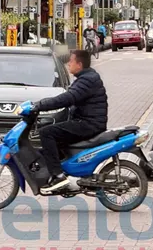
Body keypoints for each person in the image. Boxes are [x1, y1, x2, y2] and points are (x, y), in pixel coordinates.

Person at [31, 49, 108, 193]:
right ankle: (63, 171)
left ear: (79, 64)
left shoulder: (87, 80)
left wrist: (39, 105)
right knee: (54, 133)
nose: (68, 64)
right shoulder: (86, 77)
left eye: (71, 61)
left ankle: (58, 176)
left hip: (89, 124)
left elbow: (68, 98)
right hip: (87, 121)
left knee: (47, 133)